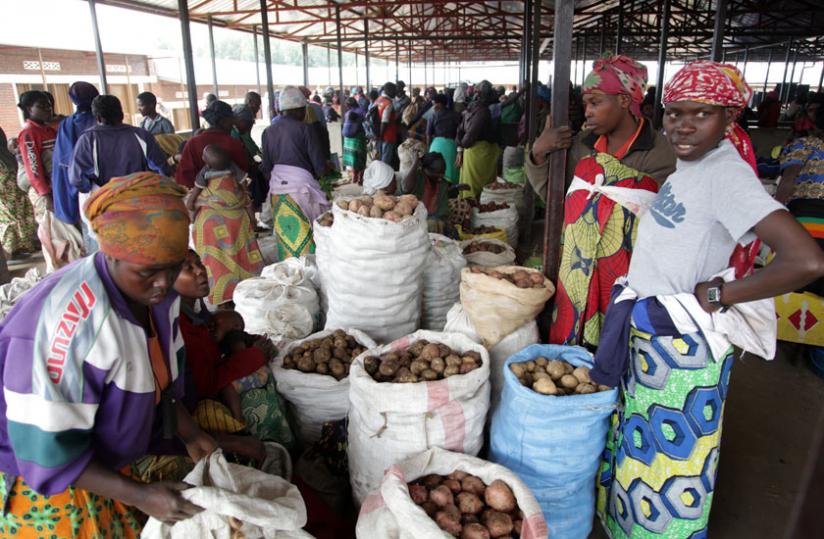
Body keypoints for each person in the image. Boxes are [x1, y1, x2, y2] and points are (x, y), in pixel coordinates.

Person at [592, 61, 824, 539]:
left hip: (682, 350)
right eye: (675, 112)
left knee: (669, 465)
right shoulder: (689, 167)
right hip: (654, 337)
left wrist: (721, 293)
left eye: (702, 113)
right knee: (641, 451)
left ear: (729, 118)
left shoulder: (726, 175)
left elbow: (806, 260)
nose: (684, 124)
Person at [0, 172, 224, 536]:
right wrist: (140, 495)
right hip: (55, 490)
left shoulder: (159, 298)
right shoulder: (67, 326)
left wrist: (189, 432)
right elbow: (47, 450)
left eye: (173, 267)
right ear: (111, 255)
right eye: (148, 272)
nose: (164, 283)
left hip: (110, 470)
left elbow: (158, 380)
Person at [528, 54, 676, 348]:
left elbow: (662, 223)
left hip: (628, 273)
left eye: (596, 102)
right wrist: (539, 153)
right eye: (586, 104)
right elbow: (558, 200)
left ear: (624, 100)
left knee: (617, 339)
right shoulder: (581, 146)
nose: (588, 112)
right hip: (576, 266)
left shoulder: (660, 154)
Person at [174, 250, 295, 447]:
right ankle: (262, 438)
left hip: (213, 377)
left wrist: (246, 341)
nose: (200, 271)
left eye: (199, 264)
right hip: (195, 403)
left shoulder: (195, 308)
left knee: (265, 366)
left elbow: (214, 340)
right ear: (167, 280)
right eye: (188, 268)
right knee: (262, 386)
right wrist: (254, 355)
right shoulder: (179, 326)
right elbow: (205, 383)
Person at [70, 95, 169, 253]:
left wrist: (91, 188)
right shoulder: (141, 135)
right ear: (121, 114)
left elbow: (77, 179)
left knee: (108, 251)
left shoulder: (88, 139)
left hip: (104, 203)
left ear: (97, 117)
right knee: (142, 247)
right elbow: (162, 169)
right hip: (139, 201)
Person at [17, 90, 85, 271]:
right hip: (46, 192)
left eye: (48, 105)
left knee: (68, 235)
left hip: (58, 189)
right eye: (41, 106)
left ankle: (71, 268)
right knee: (53, 235)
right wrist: (46, 195)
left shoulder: (50, 130)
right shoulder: (29, 133)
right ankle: (56, 272)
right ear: (28, 109)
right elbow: (34, 169)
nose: (48, 109)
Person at [188, 145, 263, 306]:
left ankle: (223, 293)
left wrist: (193, 207)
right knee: (242, 254)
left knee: (216, 259)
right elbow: (245, 191)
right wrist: (251, 215)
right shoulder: (233, 169)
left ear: (205, 160)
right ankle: (252, 288)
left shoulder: (204, 173)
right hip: (237, 218)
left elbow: (192, 198)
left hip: (211, 221)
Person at [262, 87, 330, 260]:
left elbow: (267, 167)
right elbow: (320, 167)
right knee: (311, 238)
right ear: (301, 110)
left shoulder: (267, 132)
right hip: (301, 192)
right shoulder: (306, 129)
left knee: (288, 238)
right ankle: (311, 274)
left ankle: (291, 273)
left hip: (278, 193)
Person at [52, 81, 99, 228]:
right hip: (104, 181)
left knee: (89, 226)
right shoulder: (102, 120)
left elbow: (63, 159)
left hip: (80, 183)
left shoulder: (67, 124)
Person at [176, 100, 248, 189]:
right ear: (224, 121)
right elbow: (243, 173)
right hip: (231, 197)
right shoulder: (234, 144)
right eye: (231, 119)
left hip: (199, 198)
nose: (233, 124)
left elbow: (184, 179)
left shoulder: (193, 143)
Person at [455, 80, 502, 198]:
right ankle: (476, 210)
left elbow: (460, 130)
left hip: (471, 152)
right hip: (479, 154)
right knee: (479, 188)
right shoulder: (483, 111)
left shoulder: (470, 109)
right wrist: (463, 144)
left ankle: (468, 209)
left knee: (470, 184)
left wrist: (460, 149)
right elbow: (469, 137)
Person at [0, 128, 37, 261]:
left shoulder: (6, 153)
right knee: (11, 220)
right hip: (5, 193)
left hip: (15, 189)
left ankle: (24, 247)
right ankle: (12, 252)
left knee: (24, 215)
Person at [401, 151, 452, 233]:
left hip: (435, 220)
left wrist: (440, 220)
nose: (441, 176)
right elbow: (405, 188)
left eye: (443, 172)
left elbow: (443, 211)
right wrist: (415, 164)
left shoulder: (443, 184)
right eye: (437, 172)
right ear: (425, 170)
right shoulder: (418, 177)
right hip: (414, 220)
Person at [426, 93, 461, 184]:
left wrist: (428, 148)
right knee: (451, 171)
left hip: (436, 146)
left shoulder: (433, 116)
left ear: (440, 104)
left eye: (434, 104)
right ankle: (453, 193)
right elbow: (460, 132)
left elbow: (428, 134)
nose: (433, 106)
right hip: (451, 146)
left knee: (435, 172)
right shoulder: (456, 115)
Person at [342, 97, 367, 184]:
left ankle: (354, 177)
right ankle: (361, 178)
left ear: (348, 105)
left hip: (348, 139)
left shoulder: (347, 113)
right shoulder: (362, 111)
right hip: (358, 137)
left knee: (352, 158)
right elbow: (366, 123)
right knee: (360, 157)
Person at [375, 82, 400, 167]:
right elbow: (384, 121)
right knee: (385, 161)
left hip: (378, 134)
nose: (396, 93)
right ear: (389, 90)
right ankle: (383, 178)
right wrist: (381, 137)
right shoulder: (388, 103)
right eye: (394, 91)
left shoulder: (378, 100)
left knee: (379, 158)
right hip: (387, 136)